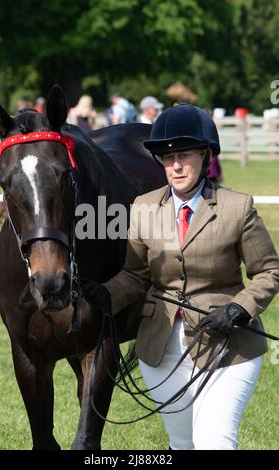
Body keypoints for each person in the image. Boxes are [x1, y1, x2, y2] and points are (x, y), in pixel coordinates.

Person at [81, 103, 279, 450]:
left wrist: (238, 309)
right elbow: (135, 274)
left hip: (227, 348)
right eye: (167, 157)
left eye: (184, 155)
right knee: (182, 442)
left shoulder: (237, 207)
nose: (175, 165)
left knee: (214, 441)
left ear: (205, 156)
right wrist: (104, 294)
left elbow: (269, 271)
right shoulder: (143, 207)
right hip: (162, 348)